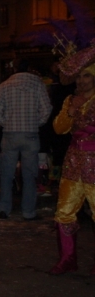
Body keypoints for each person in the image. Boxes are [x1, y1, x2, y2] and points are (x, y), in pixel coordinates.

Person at [49, 46, 95, 275]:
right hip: (73, 163)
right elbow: (59, 128)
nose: (81, 81)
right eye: (78, 76)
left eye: (86, 75)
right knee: (64, 212)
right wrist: (71, 111)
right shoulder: (70, 100)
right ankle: (67, 259)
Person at [0, 58, 52, 220]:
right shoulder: (38, 84)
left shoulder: (5, 85)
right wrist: (36, 122)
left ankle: (4, 208)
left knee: (6, 173)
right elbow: (46, 109)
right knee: (29, 175)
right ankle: (28, 211)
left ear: (15, 69)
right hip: (30, 134)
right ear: (29, 68)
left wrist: (5, 122)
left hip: (10, 134)